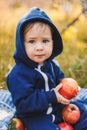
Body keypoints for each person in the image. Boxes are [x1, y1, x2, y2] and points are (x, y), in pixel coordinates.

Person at [6, 7, 80, 130]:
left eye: (45, 41)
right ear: (21, 44)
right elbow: (23, 103)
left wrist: (70, 91)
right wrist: (50, 96)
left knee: (82, 111)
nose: (39, 47)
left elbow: (61, 83)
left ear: (53, 42)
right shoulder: (18, 74)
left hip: (58, 108)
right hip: (34, 116)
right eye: (32, 41)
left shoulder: (53, 65)